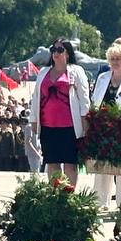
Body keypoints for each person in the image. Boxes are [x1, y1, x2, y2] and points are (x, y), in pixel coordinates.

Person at [29, 38, 89, 185]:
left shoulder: (76, 71)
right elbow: (36, 97)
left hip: (70, 126)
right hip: (48, 125)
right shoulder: (43, 72)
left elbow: (84, 99)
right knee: (52, 162)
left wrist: (85, 122)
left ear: (67, 54)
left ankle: (69, 195)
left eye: (60, 50)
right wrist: (34, 120)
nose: (56, 53)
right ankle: (56, 194)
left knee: (70, 163)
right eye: (53, 50)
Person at [87, 41, 121, 208]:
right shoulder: (102, 78)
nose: (115, 61)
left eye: (119, 58)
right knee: (102, 169)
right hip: (103, 130)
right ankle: (100, 203)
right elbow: (95, 102)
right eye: (113, 58)